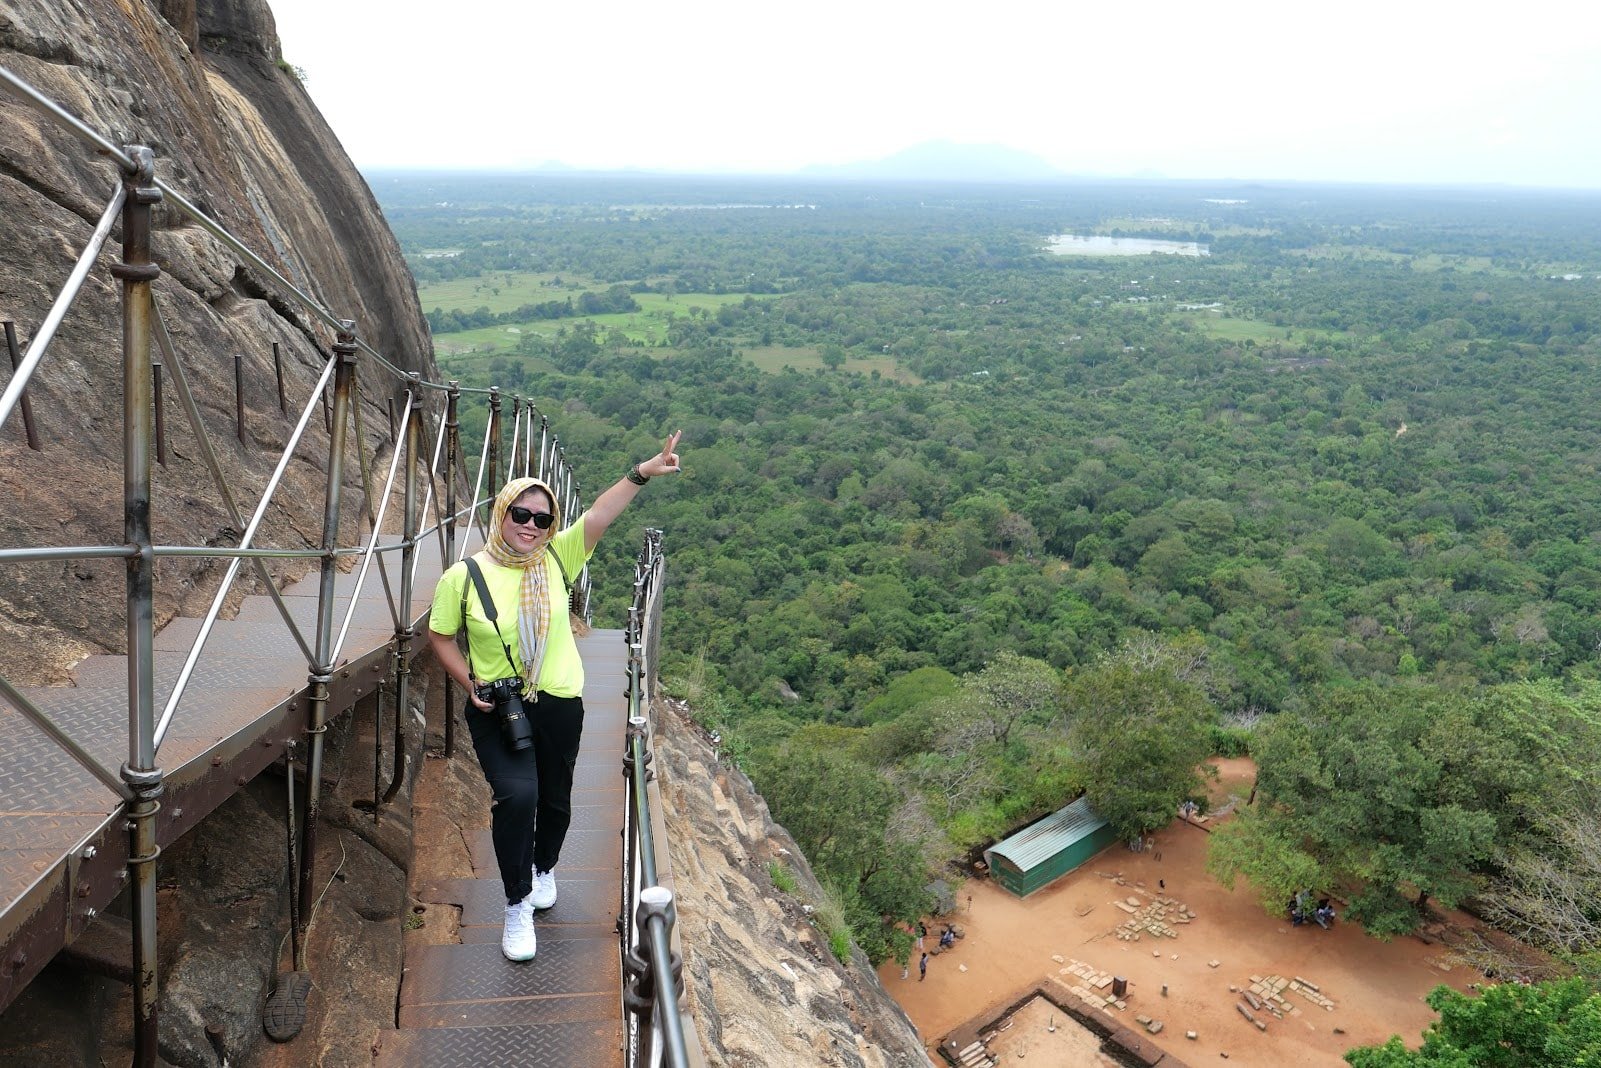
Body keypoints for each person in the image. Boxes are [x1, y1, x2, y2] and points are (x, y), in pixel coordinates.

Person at [428, 432, 683, 961]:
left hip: (560, 702)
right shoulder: (464, 576)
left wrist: (642, 471)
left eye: (542, 518)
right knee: (517, 798)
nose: (530, 525)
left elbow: (598, 517)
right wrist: (467, 682)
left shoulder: (557, 559)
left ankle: (544, 867)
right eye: (521, 513)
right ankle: (517, 903)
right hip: (498, 708)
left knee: (556, 801)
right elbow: (440, 635)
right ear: (502, 513)